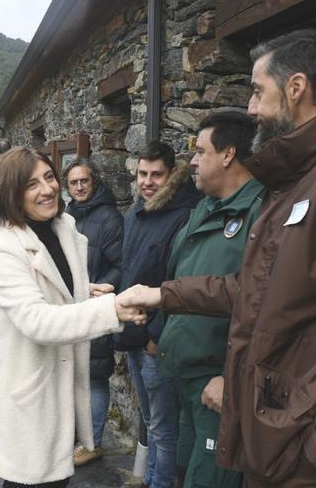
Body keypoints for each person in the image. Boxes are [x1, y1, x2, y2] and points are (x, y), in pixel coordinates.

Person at [120, 29, 316, 487]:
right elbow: (255, 288)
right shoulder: (298, 180)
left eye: (257, 91)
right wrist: (161, 294)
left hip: (306, 455)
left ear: (296, 87)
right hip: (279, 441)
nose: (250, 109)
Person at [0, 146, 144, 487]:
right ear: (11, 194)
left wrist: (85, 293)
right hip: (30, 392)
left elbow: (58, 289)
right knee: (32, 479)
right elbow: (36, 319)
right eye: (31, 184)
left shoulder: (62, 228)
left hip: (61, 388)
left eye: (49, 177)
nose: (48, 188)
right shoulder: (2, 249)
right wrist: (109, 310)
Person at [161, 111, 261, 488]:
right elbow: (181, 278)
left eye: (200, 151)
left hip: (219, 385)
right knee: (184, 474)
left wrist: (230, 380)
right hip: (187, 375)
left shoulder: (261, 213)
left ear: (228, 154)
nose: (192, 161)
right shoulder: (204, 207)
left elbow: (264, 306)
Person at [115, 141, 200, 488]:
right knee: (149, 420)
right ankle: (151, 479)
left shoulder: (183, 215)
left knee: (165, 428)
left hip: (156, 340)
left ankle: (160, 483)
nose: (148, 181)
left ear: (171, 175)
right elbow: (130, 268)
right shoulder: (137, 212)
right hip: (133, 332)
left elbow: (180, 279)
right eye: (142, 174)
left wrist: (157, 334)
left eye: (156, 174)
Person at [62, 159, 123, 466]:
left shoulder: (109, 217)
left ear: (94, 181)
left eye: (84, 181)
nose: (80, 187)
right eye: (74, 183)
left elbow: (119, 265)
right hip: (69, 310)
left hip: (94, 308)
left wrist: (97, 289)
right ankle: (77, 438)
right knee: (74, 378)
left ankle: (93, 443)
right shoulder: (68, 214)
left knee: (96, 378)